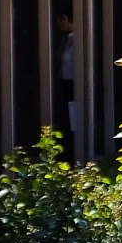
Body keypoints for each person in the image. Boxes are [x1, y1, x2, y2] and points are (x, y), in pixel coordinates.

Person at [55, 13, 77, 161]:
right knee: (65, 120)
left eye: (63, 19)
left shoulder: (79, 39)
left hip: (74, 85)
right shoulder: (68, 39)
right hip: (64, 84)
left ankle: (72, 153)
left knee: (73, 120)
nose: (59, 22)